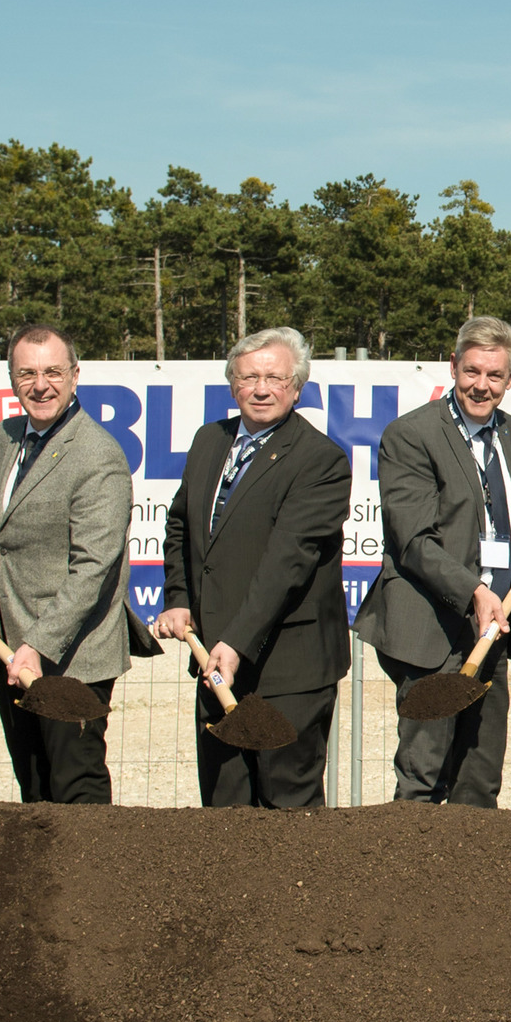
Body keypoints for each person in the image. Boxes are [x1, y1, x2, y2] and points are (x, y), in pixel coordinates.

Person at [0, 324, 155, 804]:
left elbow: (94, 568)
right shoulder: (6, 437)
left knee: (75, 786)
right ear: (11, 378)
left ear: (74, 376)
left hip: (72, 657)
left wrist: (38, 646)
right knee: (34, 784)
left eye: (52, 372)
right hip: (9, 645)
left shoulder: (98, 456)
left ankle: (90, 880)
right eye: (26, 373)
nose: (40, 385)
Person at [357, 316, 511, 807]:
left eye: (493, 376)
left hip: (491, 626)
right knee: (424, 778)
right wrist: (475, 590)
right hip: (431, 627)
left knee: (480, 779)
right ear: (453, 366)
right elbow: (414, 540)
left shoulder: (508, 431)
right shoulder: (412, 435)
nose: (480, 386)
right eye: (471, 372)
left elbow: (483, 511)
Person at [157, 327, 351, 808]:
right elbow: (181, 526)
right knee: (225, 806)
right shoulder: (209, 441)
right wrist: (179, 599)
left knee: (288, 806)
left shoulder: (321, 460)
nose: (261, 389)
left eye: (274, 378)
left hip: (290, 667)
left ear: (297, 387)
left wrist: (237, 641)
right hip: (215, 658)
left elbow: (287, 561)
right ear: (232, 384)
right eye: (249, 377)